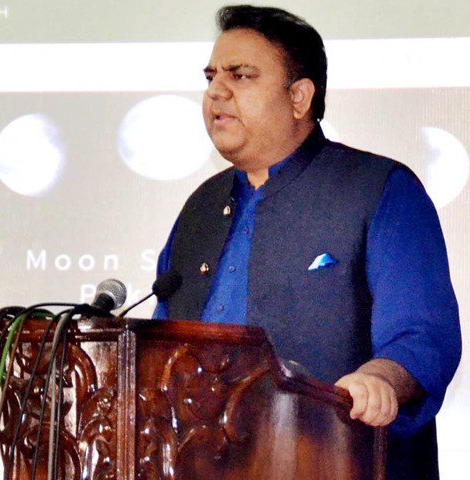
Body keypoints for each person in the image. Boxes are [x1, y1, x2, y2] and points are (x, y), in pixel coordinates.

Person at [153, 5, 461, 479]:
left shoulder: (379, 188)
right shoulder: (201, 207)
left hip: (341, 460)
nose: (216, 91)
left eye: (240, 75)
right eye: (212, 77)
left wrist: (378, 380)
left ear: (298, 97)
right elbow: (160, 348)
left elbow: (423, 336)